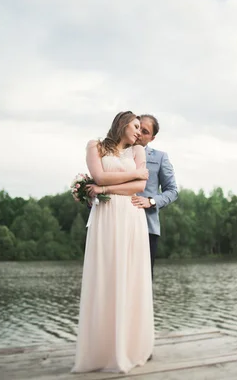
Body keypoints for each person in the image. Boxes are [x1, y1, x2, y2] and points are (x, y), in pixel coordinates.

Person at [71, 111, 154, 374]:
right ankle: (101, 350)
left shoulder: (138, 151)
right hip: (106, 218)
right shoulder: (94, 146)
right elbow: (99, 176)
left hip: (130, 217)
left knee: (129, 278)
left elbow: (139, 187)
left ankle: (129, 348)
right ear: (122, 124)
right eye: (136, 126)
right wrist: (127, 178)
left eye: (142, 129)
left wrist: (106, 189)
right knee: (105, 276)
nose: (140, 132)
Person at [131, 114, 179, 279]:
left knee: (142, 280)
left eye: (145, 131)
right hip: (118, 223)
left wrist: (151, 201)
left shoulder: (160, 157)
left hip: (147, 227)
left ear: (152, 138)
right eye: (137, 127)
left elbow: (172, 190)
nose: (139, 133)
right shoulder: (117, 153)